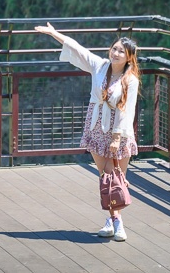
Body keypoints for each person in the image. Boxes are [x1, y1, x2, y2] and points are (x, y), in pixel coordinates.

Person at [34, 22, 140, 242]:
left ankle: (115, 221)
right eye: (114, 48)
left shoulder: (131, 80)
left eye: (122, 51)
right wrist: (54, 33)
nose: (116, 53)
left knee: (117, 179)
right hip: (96, 126)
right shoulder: (100, 66)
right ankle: (115, 221)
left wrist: (116, 138)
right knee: (106, 176)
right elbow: (77, 48)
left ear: (129, 57)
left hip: (118, 132)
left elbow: (126, 111)